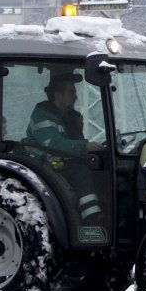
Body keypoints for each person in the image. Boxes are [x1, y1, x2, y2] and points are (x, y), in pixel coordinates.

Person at [26, 71, 103, 224]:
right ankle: (92, 219)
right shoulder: (43, 116)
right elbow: (52, 144)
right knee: (81, 172)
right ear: (58, 95)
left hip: (61, 161)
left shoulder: (69, 117)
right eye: (71, 92)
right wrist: (84, 146)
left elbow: (75, 143)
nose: (75, 96)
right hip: (45, 164)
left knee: (100, 167)